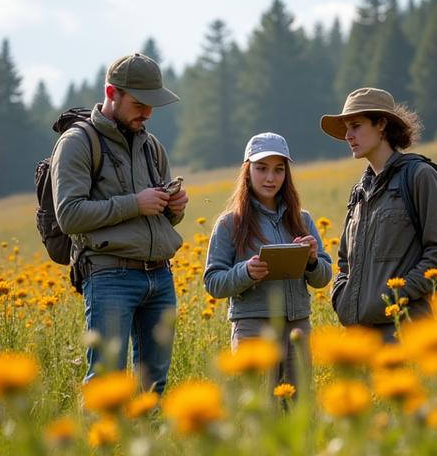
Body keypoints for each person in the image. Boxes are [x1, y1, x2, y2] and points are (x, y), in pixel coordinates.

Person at [50, 53, 188, 394]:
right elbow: (69, 215)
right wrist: (135, 204)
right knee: (107, 385)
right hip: (110, 276)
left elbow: (159, 215)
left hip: (160, 275)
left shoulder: (152, 146)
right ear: (112, 93)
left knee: (154, 385)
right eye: (140, 103)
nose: (148, 112)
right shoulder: (77, 143)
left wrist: (174, 208)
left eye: (152, 104)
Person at [319, 87, 437, 342]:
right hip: (359, 339)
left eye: (356, 126)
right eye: (347, 128)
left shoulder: (420, 176)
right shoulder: (359, 191)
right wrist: (342, 296)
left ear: (381, 124)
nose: (348, 135)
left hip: (406, 333)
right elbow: (345, 262)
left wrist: (397, 295)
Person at [204, 132, 332, 388]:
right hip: (253, 328)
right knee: (260, 412)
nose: (271, 178)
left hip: (297, 329)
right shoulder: (230, 223)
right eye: (262, 168)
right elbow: (213, 282)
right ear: (247, 170)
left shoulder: (302, 219)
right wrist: (246, 272)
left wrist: (311, 261)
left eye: (279, 169)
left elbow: (324, 277)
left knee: (300, 410)